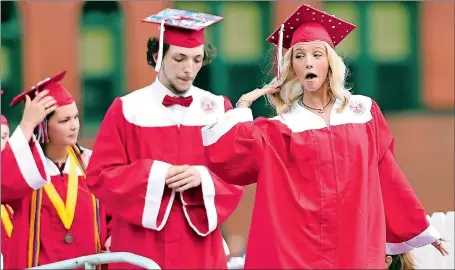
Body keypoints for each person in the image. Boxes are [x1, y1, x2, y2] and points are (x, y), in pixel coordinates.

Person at [201, 4, 447, 269]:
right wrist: (243, 104)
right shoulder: (281, 129)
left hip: (355, 246)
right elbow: (228, 158)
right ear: (291, 67)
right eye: (299, 56)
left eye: (316, 54)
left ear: (330, 62)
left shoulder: (363, 114)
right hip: (301, 253)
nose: (308, 62)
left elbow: (387, 174)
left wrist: (420, 228)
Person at [86, 8, 244, 269]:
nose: (189, 69)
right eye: (180, 58)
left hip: (201, 244)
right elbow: (100, 176)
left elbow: (236, 173)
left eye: (196, 59)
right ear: (156, 55)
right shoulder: (126, 108)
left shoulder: (217, 107)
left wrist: (202, 178)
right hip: (142, 244)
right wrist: (158, 175)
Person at [3, 71, 109, 269]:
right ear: (43, 126)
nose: (74, 126)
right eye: (64, 120)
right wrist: (26, 125)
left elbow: (114, 214)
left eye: (75, 117)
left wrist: (112, 236)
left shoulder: (91, 164)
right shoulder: (26, 172)